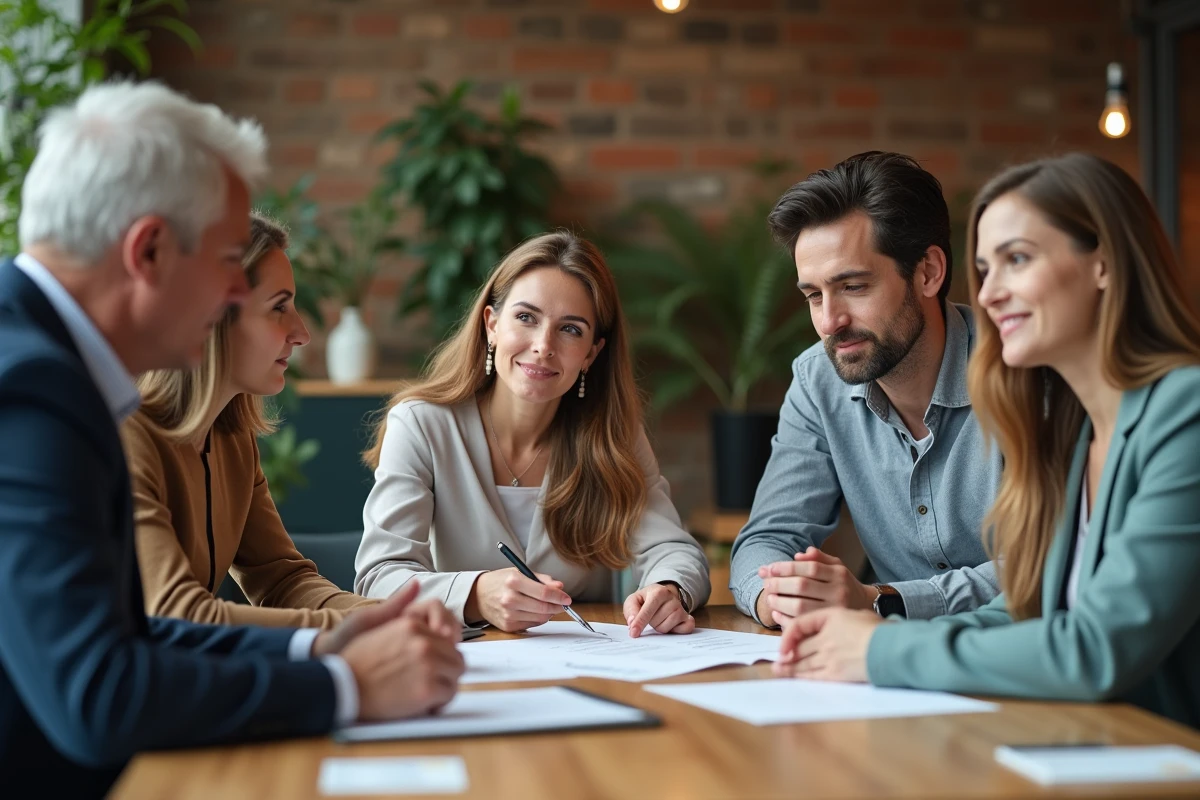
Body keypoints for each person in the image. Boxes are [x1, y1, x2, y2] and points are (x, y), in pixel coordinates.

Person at [0, 81, 463, 796]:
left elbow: (132, 634)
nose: (231, 298)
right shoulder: (33, 394)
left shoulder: (47, 367)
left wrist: (320, 646)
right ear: (149, 250)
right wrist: (342, 686)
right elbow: (100, 695)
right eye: (225, 262)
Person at [775, 153, 1200, 729]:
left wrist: (879, 648)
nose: (991, 293)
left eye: (1017, 260)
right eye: (985, 268)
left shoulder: (1185, 411)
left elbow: (1097, 647)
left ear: (1104, 262)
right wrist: (868, 631)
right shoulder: (1085, 430)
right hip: (1090, 743)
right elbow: (1028, 610)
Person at [355, 231, 710, 637]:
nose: (543, 346)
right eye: (526, 318)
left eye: (571, 330)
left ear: (591, 353)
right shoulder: (421, 425)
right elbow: (377, 578)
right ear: (491, 325)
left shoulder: (613, 436)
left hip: (589, 666)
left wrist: (669, 589)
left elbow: (674, 550)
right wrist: (474, 595)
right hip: (462, 666)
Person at [729, 151, 1001, 629]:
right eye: (813, 295)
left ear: (928, 273)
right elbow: (767, 538)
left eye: (853, 286)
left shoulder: (1023, 369)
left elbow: (1050, 567)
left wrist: (883, 599)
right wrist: (780, 598)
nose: (828, 322)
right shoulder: (818, 381)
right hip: (883, 670)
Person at [123, 212, 375, 628]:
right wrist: (351, 627)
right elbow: (176, 614)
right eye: (279, 307)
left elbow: (281, 579)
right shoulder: (128, 436)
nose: (301, 332)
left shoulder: (232, 438)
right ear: (214, 319)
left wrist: (384, 615)